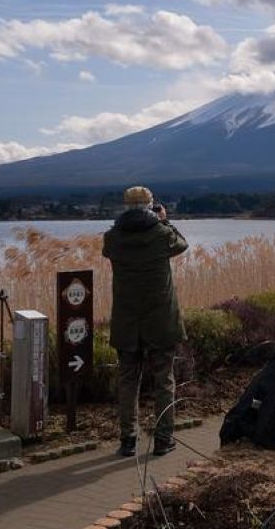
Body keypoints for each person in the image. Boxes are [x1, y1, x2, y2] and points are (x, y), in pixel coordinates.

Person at [102, 186, 189, 457]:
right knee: (164, 380)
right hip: (161, 320)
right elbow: (182, 244)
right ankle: (163, 439)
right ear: (151, 205)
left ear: (126, 207)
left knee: (128, 381)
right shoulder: (162, 234)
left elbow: (109, 249)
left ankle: (128, 439)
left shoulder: (113, 238)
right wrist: (164, 220)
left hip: (127, 321)